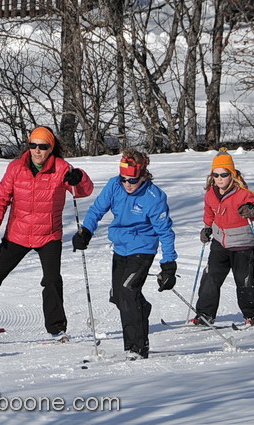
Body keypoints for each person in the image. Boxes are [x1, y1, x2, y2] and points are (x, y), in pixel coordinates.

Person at [0, 126, 94, 340]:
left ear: (51, 148)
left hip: (48, 235)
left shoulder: (62, 169)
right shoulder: (16, 168)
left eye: (42, 147)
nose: (37, 151)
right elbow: (0, 199)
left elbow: (83, 191)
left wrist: (79, 177)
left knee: (52, 281)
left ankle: (57, 329)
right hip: (17, 234)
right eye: (33, 145)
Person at [72, 149, 177, 360]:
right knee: (120, 298)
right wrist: (86, 231)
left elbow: (165, 232)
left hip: (143, 249)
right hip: (120, 247)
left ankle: (136, 348)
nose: (128, 184)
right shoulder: (114, 186)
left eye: (133, 180)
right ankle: (142, 307)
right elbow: (96, 210)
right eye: (124, 179)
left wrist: (169, 265)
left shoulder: (154, 197)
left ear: (144, 175)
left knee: (128, 291)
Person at [191, 148, 254, 327]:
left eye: (224, 174)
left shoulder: (243, 193)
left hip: (242, 244)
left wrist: (253, 210)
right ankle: (205, 314)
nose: (219, 179)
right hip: (219, 242)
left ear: (232, 175)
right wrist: (207, 228)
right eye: (215, 175)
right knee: (210, 277)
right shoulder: (211, 193)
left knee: (244, 280)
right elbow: (209, 212)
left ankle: (252, 314)